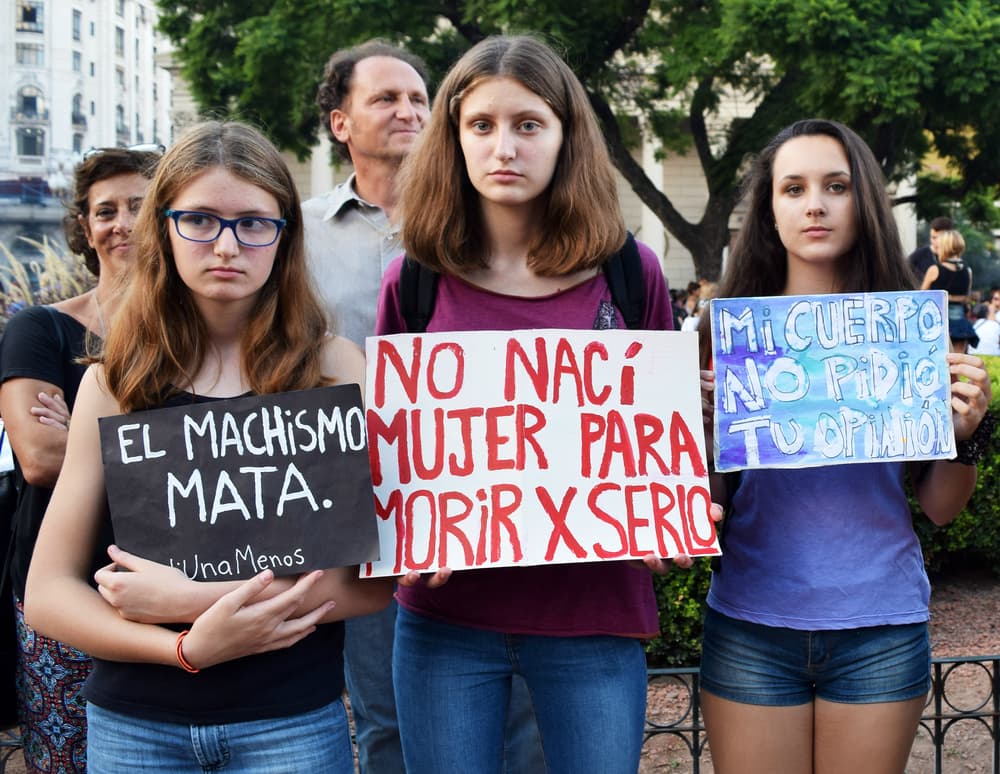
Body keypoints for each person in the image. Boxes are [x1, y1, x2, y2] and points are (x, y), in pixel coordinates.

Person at [374, 35, 706, 773]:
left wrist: (667, 515)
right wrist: (401, 536)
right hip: (446, 626)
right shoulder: (414, 280)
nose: (504, 148)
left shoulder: (631, 272)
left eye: (529, 124)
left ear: (566, 136)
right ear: (453, 139)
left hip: (594, 619)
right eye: (481, 125)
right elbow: (392, 446)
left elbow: (660, 435)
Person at [23, 120, 394, 772]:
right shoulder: (115, 383)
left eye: (253, 223)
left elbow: (371, 584)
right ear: (164, 228)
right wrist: (186, 649)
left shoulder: (334, 369)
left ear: (285, 236)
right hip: (136, 725)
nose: (226, 246)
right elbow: (49, 593)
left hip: (289, 722)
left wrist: (191, 600)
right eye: (199, 220)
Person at [696, 118, 993, 774]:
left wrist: (967, 433)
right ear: (769, 210)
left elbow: (941, 507)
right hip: (750, 624)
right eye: (793, 188)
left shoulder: (908, 328)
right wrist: (701, 428)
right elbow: (706, 507)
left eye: (836, 186)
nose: (815, 205)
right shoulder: (729, 330)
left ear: (865, 202)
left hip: (880, 628)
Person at [306, 40, 546, 773]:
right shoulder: (298, 234)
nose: (408, 110)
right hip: (355, 500)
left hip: (483, 492)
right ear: (341, 121)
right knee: (384, 712)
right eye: (386, 98)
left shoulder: (492, 224)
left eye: (419, 98)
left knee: (518, 714)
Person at [0, 144, 161, 773]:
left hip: (175, 584)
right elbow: (40, 457)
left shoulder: (197, 337)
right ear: (85, 229)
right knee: (67, 759)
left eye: (139, 207)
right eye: (105, 211)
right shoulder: (41, 330)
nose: (122, 223)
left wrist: (89, 434)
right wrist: (162, 443)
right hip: (65, 589)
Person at [921, 229, 972, 323]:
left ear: (944, 247)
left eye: (938, 247)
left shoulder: (934, 270)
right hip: (960, 321)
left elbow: (921, 296)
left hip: (938, 320)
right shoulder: (968, 270)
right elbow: (966, 298)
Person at [906, 214, 953, 280]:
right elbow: (904, 268)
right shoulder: (920, 254)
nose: (933, 241)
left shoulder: (954, 258)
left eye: (937, 238)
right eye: (932, 237)